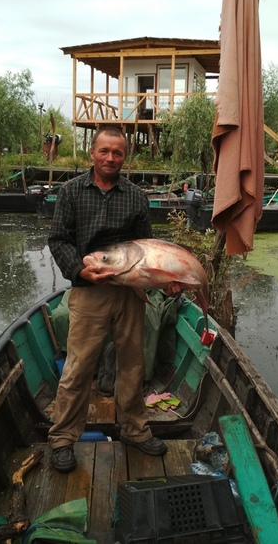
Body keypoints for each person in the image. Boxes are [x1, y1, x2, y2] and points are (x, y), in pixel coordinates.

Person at [48, 125, 179, 473]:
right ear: (92, 152)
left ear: (125, 157)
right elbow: (58, 240)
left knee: (133, 364)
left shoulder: (136, 197)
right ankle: (62, 438)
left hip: (129, 293)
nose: (110, 158)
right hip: (89, 291)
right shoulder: (71, 192)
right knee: (78, 367)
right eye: (104, 151)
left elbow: (147, 250)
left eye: (117, 153)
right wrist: (80, 271)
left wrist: (168, 281)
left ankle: (134, 430)